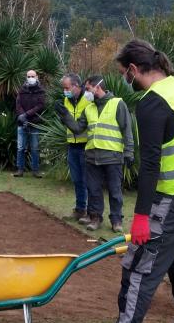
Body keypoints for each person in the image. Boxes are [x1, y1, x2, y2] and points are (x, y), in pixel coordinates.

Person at [74, 40, 174, 323]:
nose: (126, 80)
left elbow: (149, 165)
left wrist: (140, 218)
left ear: (134, 70)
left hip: (172, 200)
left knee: (137, 272)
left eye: (124, 74)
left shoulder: (152, 105)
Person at [56, 75, 134, 232]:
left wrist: (129, 151)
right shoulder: (89, 108)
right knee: (93, 190)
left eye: (88, 88)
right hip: (92, 157)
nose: (86, 92)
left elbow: (127, 129)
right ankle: (95, 218)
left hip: (112, 157)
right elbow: (78, 129)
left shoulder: (117, 104)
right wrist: (65, 115)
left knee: (115, 190)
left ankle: (116, 220)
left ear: (97, 87)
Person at [59, 73, 89, 221]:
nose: (65, 91)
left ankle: (91, 212)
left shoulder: (88, 99)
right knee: (77, 180)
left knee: (87, 180)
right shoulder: (66, 99)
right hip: (72, 145)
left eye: (67, 87)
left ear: (76, 85)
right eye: (64, 88)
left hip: (86, 145)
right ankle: (79, 209)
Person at [14, 70, 46, 178]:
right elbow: (18, 104)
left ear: (37, 77)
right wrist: (22, 116)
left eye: (32, 76)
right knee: (20, 147)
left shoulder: (41, 91)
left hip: (35, 122)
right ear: (26, 77)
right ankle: (20, 169)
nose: (30, 78)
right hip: (22, 123)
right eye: (29, 76)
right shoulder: (22, 90)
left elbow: (40, 105)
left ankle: (35, 170)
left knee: (35, 148)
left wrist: (26, 114)